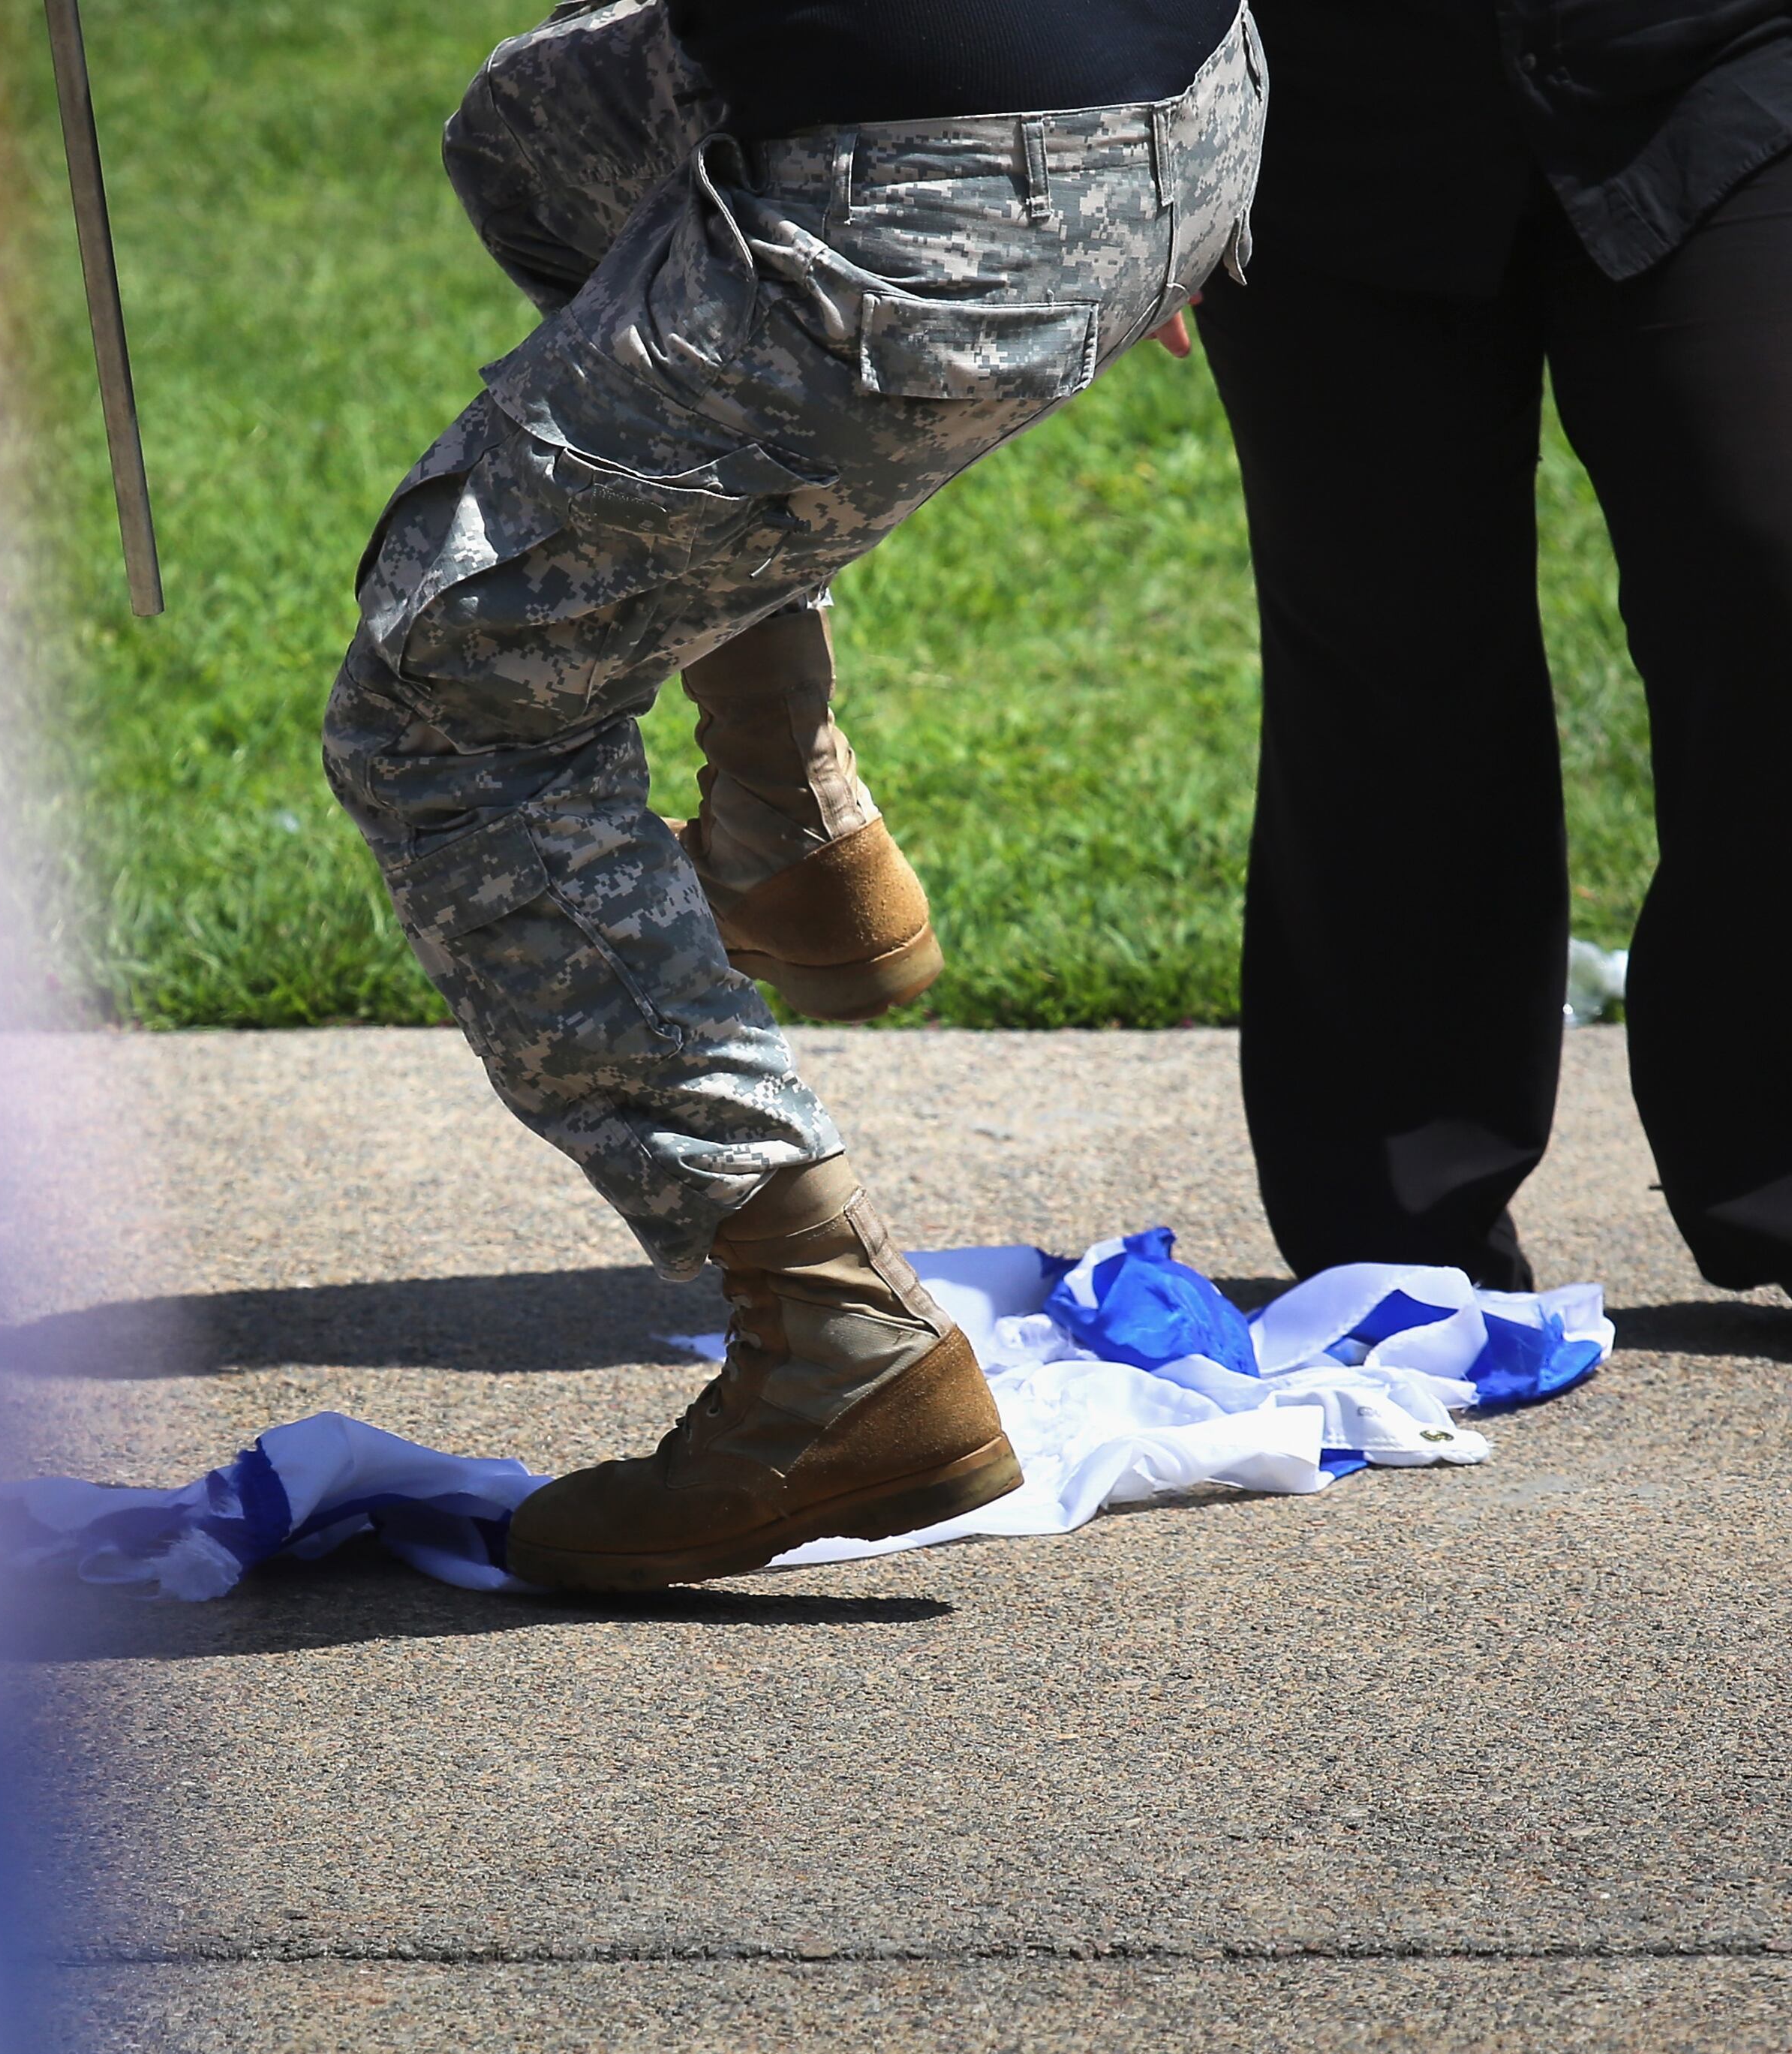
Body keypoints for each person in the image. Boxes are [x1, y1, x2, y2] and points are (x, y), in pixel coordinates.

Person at [322, 0, 1268, 1588]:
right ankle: (783, 814)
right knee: (540, 134)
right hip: (1188, 91)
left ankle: (835, 1343)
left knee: (447, 707)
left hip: (942, 193)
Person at [1199, 0, 1792, 1295]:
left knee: (1771, 556)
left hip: (1713, 65)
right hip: (1313, 104)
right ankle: (1400, 1226)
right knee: (1387, 635)